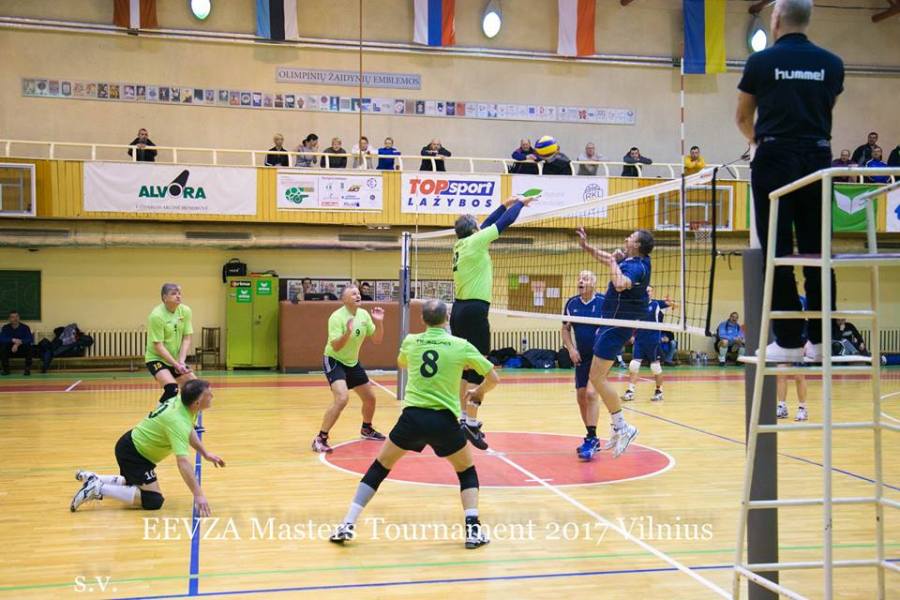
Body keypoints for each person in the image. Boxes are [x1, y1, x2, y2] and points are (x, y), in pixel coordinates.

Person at [329, 299, 498, 549]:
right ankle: (473, 531)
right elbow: (493, 377)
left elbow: (402, 363)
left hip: (412, 419)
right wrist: (479, 391)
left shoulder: (411, 341)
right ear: (447, 319)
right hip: (444, 421)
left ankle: (347, 523)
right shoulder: (461, 345)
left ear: (422, 320)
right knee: (466, 471)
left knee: (380, 467)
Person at [736, 0, 844, 363]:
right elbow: (823, 109)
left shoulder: (761, 62)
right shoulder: (832, 64)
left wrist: (761, 143)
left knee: (777, 251)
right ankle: (822, 340)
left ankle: (788, 341)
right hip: (818, 158)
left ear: (776, 18)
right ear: (808, 19)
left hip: (775, 158)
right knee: (818, 252)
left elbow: (743, 117)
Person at [451, 194, 538, 449]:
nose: (481, 227)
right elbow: (502, 224)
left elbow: (487, 223)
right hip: (474, 310)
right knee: (479, 367)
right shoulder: (476, 241)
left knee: (466, 367)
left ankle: (463, 418)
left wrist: (504, 204)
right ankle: (471, 422)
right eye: (477, 225)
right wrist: (520, 204)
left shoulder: (461, 244)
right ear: (474, 230)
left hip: (459, 310)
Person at [70, 379, 225, 515]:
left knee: (134, 485)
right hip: (134, 454)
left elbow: (189, 429)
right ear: (197, 402)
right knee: (153, 500)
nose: (212, 396)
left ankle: (96, 479)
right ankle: (98, 488)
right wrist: (198, 494)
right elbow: (183, 462)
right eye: (208, 394)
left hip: (134, 448)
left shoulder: (184, 403)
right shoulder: (177, 421)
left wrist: (204, 453)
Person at [575, 226, 653, 457]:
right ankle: (619, 426)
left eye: (631, 237)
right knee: (596, 378)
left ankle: (623, 426)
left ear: (637, 245)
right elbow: (607, 259)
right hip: (611, 324)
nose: (626, 239)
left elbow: (619, 283)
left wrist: (613, 262)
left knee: (597, 378)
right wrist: (586, 246)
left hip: (617, 325)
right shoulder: (631, 260)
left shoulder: (638, 267)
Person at [312, 285, 386, 453]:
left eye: (358, 293)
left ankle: (367, 429)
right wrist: (347, 333)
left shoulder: (364, 315)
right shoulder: (336, 317)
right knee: (342, 398)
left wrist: (379, 322)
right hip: (334, 360)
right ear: (344, 299)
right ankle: (320, 438)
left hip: (352, 362)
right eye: (353, 294)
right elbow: (336, 347)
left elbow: (377, 340)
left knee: (370, 398)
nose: (358, 295)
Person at [561, 270, 605, 461]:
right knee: (581, 396)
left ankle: (592, 438)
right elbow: (565, 329)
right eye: (579, 278)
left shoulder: (604, 302)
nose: (580, 280)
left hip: (600, 356)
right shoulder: (572, 303)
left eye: (585, 278)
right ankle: (591, 436)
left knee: (591, 393)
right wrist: (571, 349)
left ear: (594, 283)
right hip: (582, 357)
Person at [145, 284, 197, 407]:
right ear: (164, 298)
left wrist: (181, 362)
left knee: (196, 388)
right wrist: (176, 364)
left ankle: (192, 419)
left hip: (175, 359)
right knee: (172, 389)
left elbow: (187, 338)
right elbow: (158, 346)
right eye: (173, 294)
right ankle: (155, 416)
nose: (178, 296)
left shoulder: (185, 311)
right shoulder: (156, 316)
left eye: (179, 293)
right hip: (156, 358)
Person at [622, 287, 673, 403]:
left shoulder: (656, 304)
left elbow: (670, 304)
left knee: (655, 367)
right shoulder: (637, 306)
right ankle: (630, 391)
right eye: (645, 290)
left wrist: (671, 303)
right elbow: (634, 322)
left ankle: (659, 392)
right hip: (639, 339)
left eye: (649, 291)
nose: (647, 292)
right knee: (634, 365)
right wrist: (632, 335)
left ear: (652, 293)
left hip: (653, 340)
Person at [0, 310, 34, 376]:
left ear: (19, 317)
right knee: (3, 347)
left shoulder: (25, 327)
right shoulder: (5, 327)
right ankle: (6, 370)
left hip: (21, 350)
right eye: (12, 317)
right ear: (9, 319)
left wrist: (18, 343)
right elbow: (2, 338)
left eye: (16, 316)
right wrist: (12, 340)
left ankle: (27, 369)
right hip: (10, 350)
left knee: (29, 346)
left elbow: (30, 339)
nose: (15, 319)